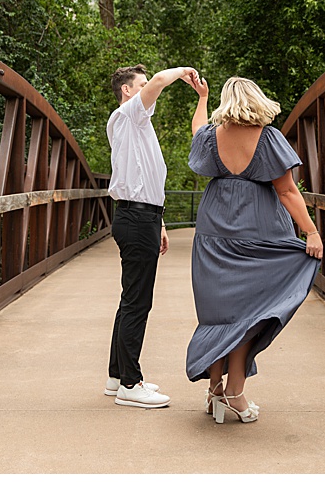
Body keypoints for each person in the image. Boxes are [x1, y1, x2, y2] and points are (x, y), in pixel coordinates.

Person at [185, 74, 323, 424]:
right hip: (257, 234)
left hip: (213, 235)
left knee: (220, 315)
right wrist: (311, 232)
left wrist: (202, 98)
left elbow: (197, 127)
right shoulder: (268, 138)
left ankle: (216, 390)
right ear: (256, 99)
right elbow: (288, 191)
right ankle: (235, 391)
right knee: (250, 314)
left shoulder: (210, 138)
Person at [105, 63, 200, 409]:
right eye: (141, 85)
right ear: (128, 91)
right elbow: (161, 79)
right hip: (135, 218)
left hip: (141, 216)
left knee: (130, 299)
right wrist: (185, 71)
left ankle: (117, 377)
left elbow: (146, 181)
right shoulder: (128, 114)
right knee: (137, 303)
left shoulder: (136, 125)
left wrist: (158, 222)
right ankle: (131, 383)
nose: (149, 89)